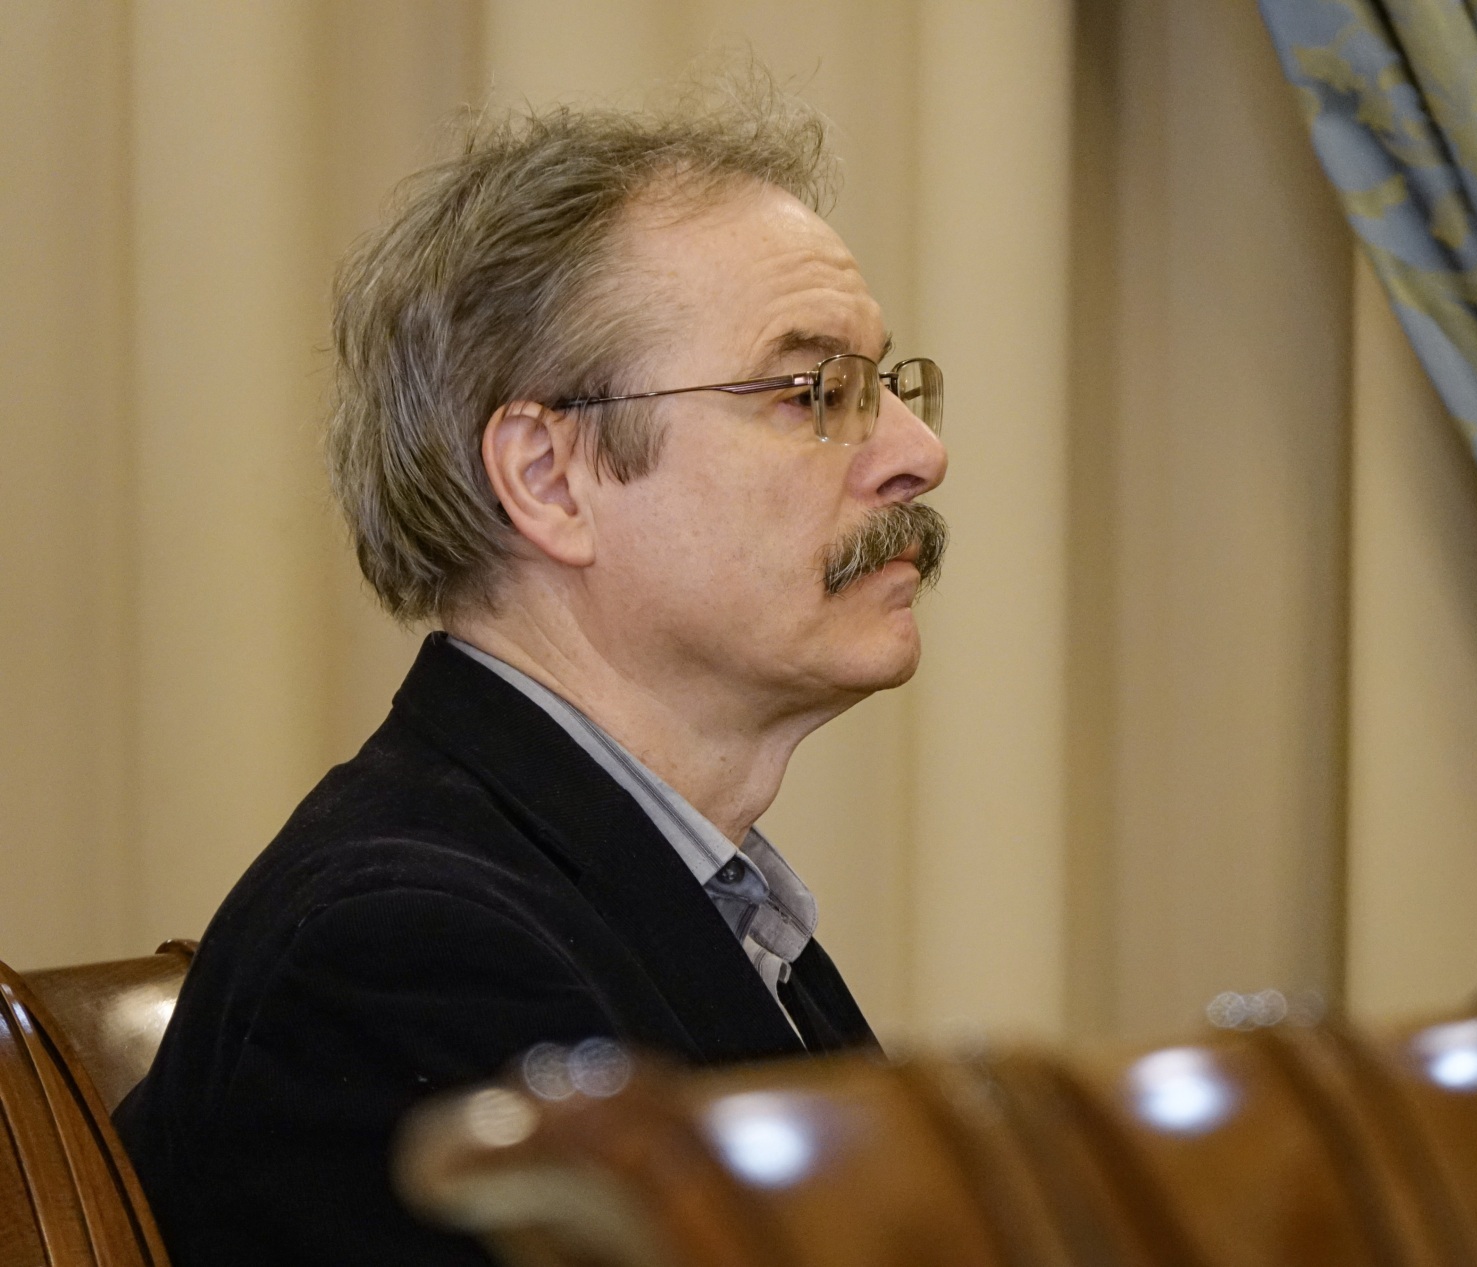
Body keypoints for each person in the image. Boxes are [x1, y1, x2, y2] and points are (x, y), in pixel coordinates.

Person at [113, 79, 948, 1266]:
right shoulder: (402, 950)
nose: (918, 452)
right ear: (549, 478)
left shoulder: (685, 894)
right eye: (811, 391)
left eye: (888, 388)